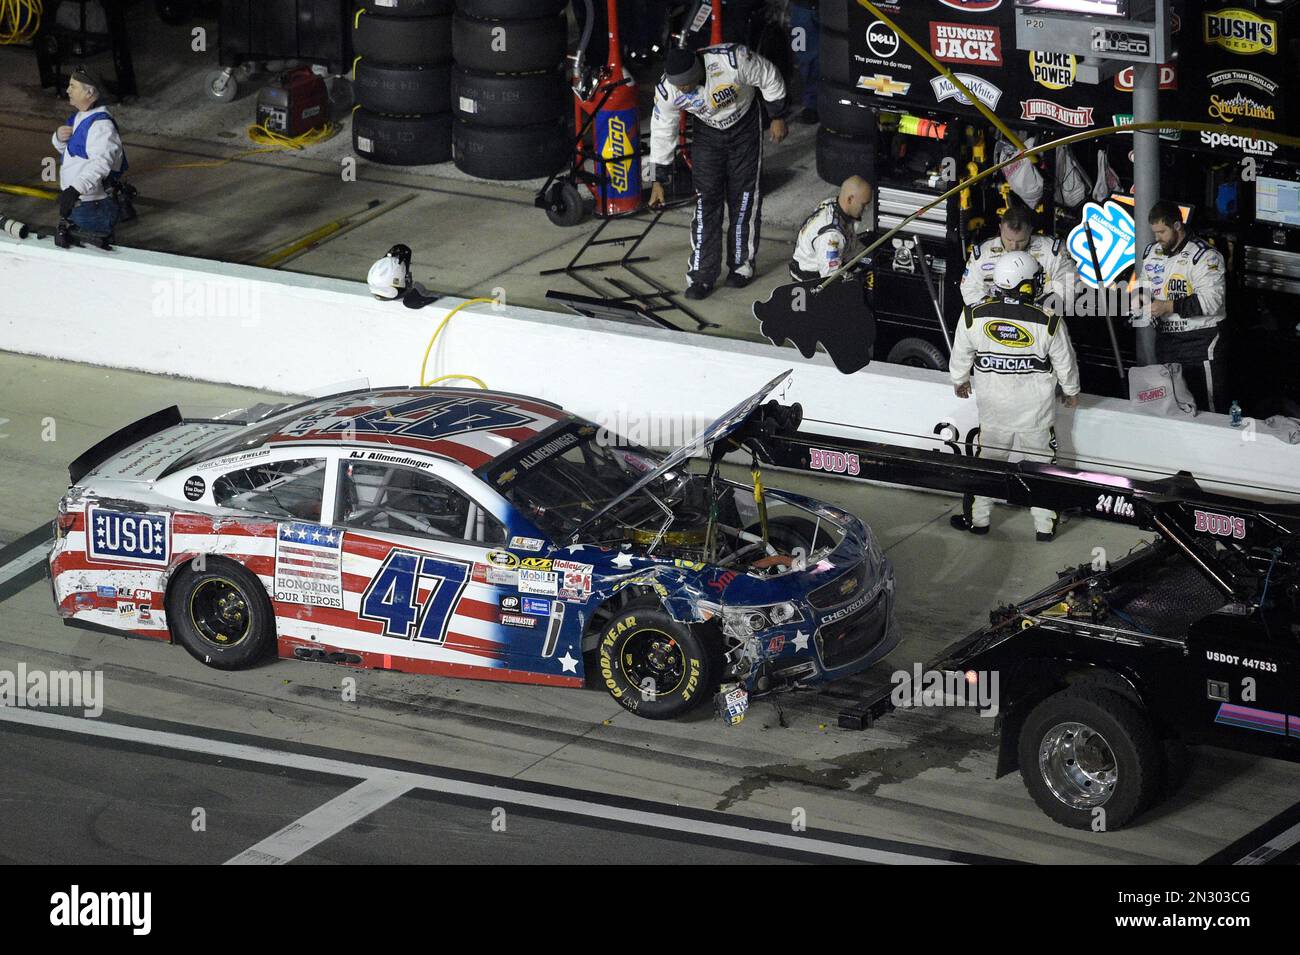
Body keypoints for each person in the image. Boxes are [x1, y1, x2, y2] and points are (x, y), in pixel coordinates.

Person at [949, 251, 1081, 541]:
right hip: (1036, 414)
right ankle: (1044, 528)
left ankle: (979, 522)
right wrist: (1071, 391)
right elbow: (1065, 362)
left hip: (994, 412)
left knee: (988, 467)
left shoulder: (973, 314)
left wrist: (959, 379)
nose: (1038, 285)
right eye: (1035, 281)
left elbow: (960, 353)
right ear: (1024, 284)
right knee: (1042, 470)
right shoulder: (1048, 320)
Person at [648, 43, 788, 299]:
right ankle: (701, 276)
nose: (682, 90)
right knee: (705, 201)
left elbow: (769, 75)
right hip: (706, 133)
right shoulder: (668, 90)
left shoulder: (733, 60)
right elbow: (661, 130)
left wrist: (777, 115)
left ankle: (741, 266)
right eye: (678, 86)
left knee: (744, 198)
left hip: (744, 126)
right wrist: (659, 180)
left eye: (686, 85)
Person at [1133, 201, 1228, 413]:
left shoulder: (1206, 256)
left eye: (1162, 232)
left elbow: (1212, 301)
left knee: (1208, 408)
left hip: (1200, 343)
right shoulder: (1152, 251)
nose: (1157, 238)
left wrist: (1169, 306)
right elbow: (1143, 283)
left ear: (1177, 226)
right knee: (1173, 407)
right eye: (1154, 232)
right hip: (1166, 343)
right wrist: (1141, 298)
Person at [52, 66, 127, 240]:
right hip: (80, 201)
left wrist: (74, 190)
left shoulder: (101, 127)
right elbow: (73, 155)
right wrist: (58, 139)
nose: (67, 90)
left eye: (73, 86)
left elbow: (101, 164)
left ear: (89, 92)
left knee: (96, 249)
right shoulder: (80, 116)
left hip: (92, 204)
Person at [960, 203, 1071, 310]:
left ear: (1030, 231)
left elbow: (1069, 285)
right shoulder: (982, 254)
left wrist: (1041, 307)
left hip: (1039, 318)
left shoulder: (1051, 250)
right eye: (1009, 239)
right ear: (1000, 228)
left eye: (1021, 240)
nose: (1014, 246)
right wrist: (992, 308)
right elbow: (969, 289)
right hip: (995, 317)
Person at [789, 175, 873, 281]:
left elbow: (851, 239)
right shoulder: (831, 236)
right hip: (813, 277)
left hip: (832, 255)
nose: (867, 208)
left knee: (873, 255)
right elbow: (831, 276)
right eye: (864, 204)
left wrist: (869, 257)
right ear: (850, 199)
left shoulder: (832, 203)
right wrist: (857, 278)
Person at [788, 0, 819, 124]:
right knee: (802, 57)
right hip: (801, 9)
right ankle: (810, 104)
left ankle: (814, 103)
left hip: (832, 9)